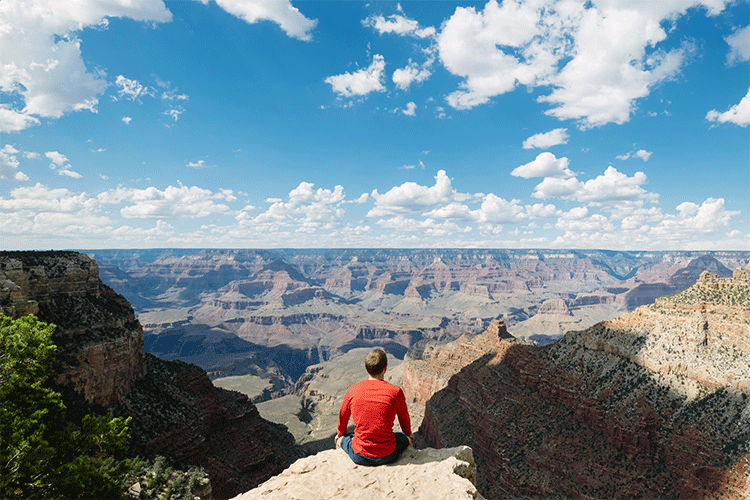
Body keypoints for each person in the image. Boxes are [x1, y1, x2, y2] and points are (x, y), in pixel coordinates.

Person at [335, 348, 413, 465]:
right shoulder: (395, 392)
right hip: (389, 455)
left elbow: (342, 419)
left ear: (366, 368)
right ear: (385, 368)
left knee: (343, 438)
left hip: (359, 455)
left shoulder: (353, 390)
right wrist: (409, 436)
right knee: (403, 437)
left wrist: (340, 436)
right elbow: (404, 420)